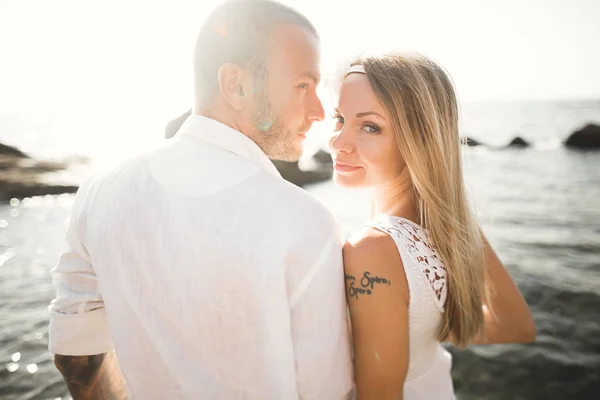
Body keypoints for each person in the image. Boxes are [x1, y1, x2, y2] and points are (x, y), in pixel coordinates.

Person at [48, 1, 354, 399]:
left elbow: (76, 356)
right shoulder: (305, 221)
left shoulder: (98, 191)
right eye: (303, 85)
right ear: (236, 85)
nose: (318, 111)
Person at [331, 55, 536, 399]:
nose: (337, 142)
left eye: (370, 126)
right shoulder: (444, 229)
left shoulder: (373, 249)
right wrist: (416, 332)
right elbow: (516, 325)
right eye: (339, 119)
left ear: (419, 140)